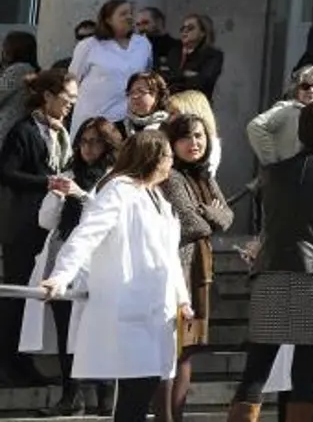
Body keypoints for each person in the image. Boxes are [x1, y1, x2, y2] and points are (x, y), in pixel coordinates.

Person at [39, 130, 189, 422]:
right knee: (138, 387)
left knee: (143, 388)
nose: (172, 162)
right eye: (169, 156)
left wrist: (182, 298)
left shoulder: (156, 196)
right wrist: (61, 275)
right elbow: (87, 234)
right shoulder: (119, 189)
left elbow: (169, 255)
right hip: (129, 306)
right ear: (153, 158)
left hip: (158, 309)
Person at [226, 101, 313, 422]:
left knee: (256, 369)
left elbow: (267, 222)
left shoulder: (270, 174)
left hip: (271, 273)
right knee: (305, 375)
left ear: (300, 130)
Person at [22, 114, 119, 415]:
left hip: (99, 261)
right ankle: (71, 396)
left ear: (108, 145)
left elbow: (109, 221)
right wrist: (57, 196)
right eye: (84, 142)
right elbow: (45, 221)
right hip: (64, 256)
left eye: (96, 142)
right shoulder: (69, 172)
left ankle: (106, 393)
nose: (89, 149)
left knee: (99, 328)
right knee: (66, 331)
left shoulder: (115, 179)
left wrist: (81, 196)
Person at [0, 69, 74, 389]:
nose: (70, 105)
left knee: (34, 297)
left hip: (49, 224)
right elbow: (6, 172)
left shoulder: (62, 132)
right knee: (17, 294)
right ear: (47, 97)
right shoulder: (24, 130)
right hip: (23, 225)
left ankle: (23, 361)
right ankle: (8, 363)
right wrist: (46, 182)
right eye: (66, 98)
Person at [155, 112, 231, 421]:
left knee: (187, 351)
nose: (194, 143)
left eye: (199, 136)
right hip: (178, 270)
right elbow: (191, 224)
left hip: (200, 270)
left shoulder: (204, 175)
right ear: (173, 143)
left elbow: (227, 217)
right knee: (173, 352)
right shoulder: (172, 176)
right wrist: (209, 214)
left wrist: (209, 214)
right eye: (186, 137)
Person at [70, 0, 153, 136]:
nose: (129, 17)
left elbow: (147, 77)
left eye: (131, 13)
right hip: (93, 119)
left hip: (128, 121)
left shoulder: (143, 44)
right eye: (123, 14)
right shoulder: (88, 45)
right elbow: (73, 80)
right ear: (108, 19)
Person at [246, 66, 313, 168]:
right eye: (305, 86)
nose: (311, 90)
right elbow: (255, 126)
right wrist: (273, 162)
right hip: (287, 175)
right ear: (296, 89)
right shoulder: (288, 109)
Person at [169, 14, 224, 97]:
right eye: (183, 28)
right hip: (171, 103)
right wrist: (185, 74)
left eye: (190, 28)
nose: (185, 31)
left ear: (202, 33)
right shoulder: (174, 52)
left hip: (196, 105)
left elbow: (202, 82)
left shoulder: (213, 55)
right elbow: (164, 79)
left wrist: (176, 77)